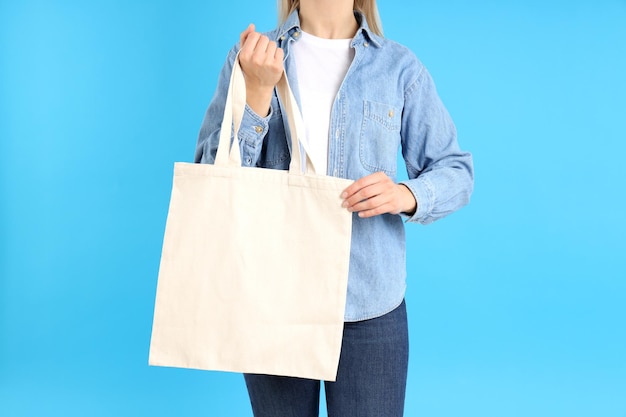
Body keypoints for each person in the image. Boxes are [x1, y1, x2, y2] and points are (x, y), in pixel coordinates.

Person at [195, 0, 474, 415]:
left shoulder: (398, 67)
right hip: (275, 302)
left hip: (370, 305)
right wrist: (257, 93)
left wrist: (406, 195)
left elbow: (455, 170)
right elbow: (211, 174)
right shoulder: (253, 55)